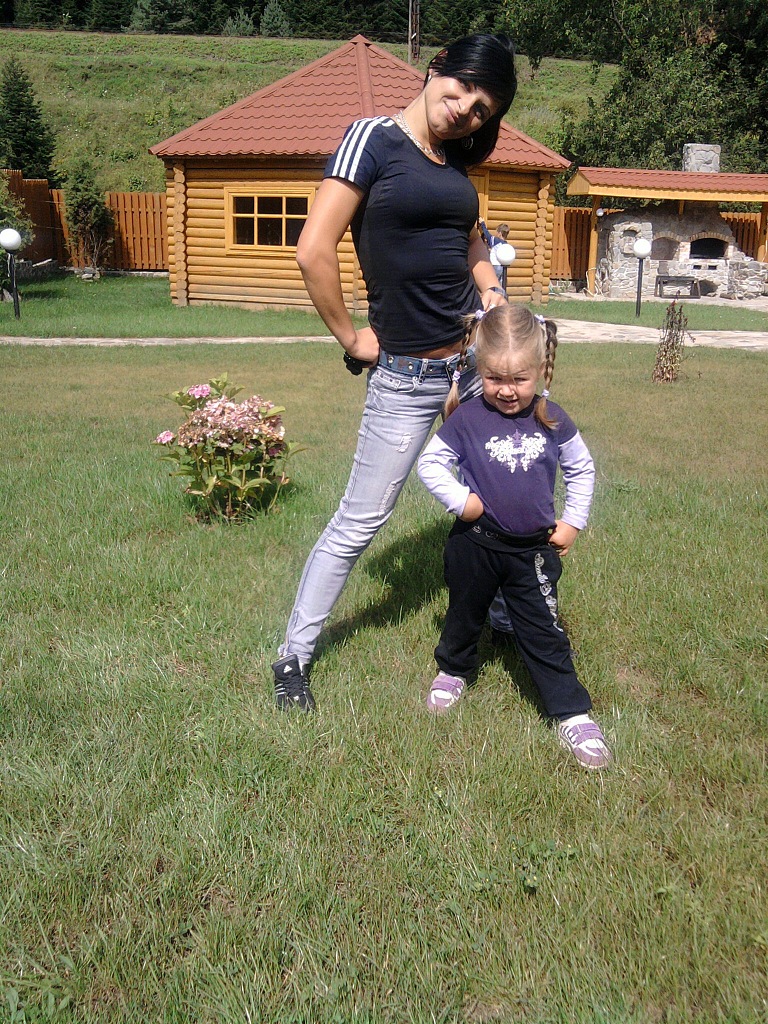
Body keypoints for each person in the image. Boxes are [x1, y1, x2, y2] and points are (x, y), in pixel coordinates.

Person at [272, 34, 519, 712]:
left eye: (482, 108)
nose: (466, 109)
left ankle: (502, 614)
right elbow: (314, 249)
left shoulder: (452, 163)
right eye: (462, 89)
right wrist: (351, 335)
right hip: (407, 375)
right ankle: (294, 655)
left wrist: (491, 292)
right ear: (436, 69)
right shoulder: (372, 140)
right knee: (361, 519)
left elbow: (471, 239)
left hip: (475, 362)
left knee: (504, 491)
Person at [417, 304, 613, 769]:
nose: (507, 390)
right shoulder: (467, 418)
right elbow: (430, 463)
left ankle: (571, 711)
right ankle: (454, 669)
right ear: (479, 370)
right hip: (475, 543)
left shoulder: (553, 418)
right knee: (465, 612)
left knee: (544, 630)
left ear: (541, 369)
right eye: (494, 379)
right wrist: (461, 500)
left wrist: (573, 521)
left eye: (519, 379)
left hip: (533, 551)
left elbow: (582, 469)